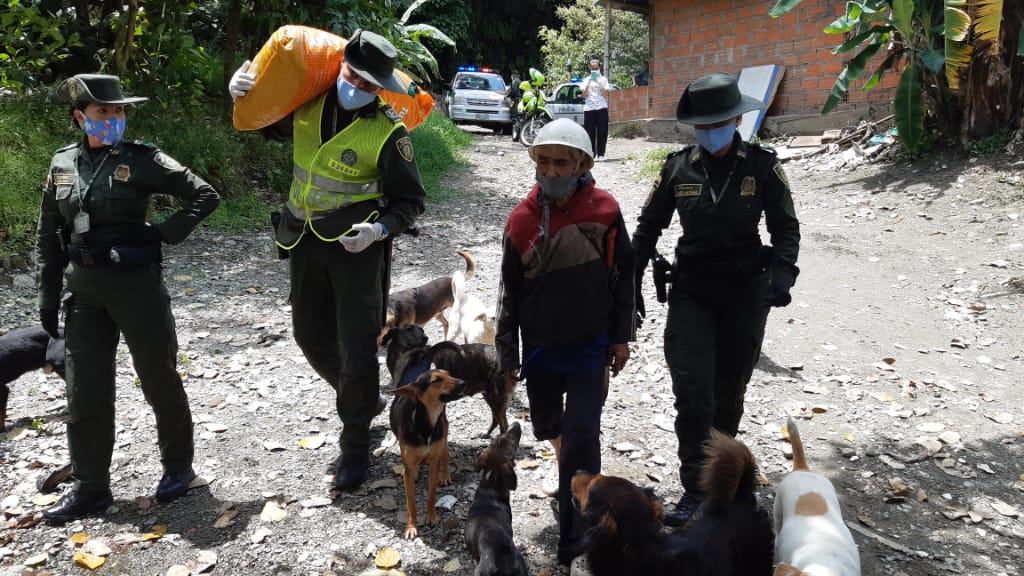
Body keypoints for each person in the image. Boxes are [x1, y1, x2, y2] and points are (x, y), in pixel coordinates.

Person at [228, 29, 426, 490]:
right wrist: (242, 93)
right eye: (353, 75)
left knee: (357, 346)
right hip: (303, 239)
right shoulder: (305, 105)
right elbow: (261, 121)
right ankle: (362, 398)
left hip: (357, 251)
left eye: (371, 84)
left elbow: (410, 201)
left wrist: (380, 229)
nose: (358, 87)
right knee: (308, 335)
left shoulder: (389, 132)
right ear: (340, 67)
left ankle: (354, 443)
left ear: (382, 88)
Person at [36, 74, 220, 523]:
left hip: (135, 287)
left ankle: (178, 470)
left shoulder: (141, 159)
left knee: (159, 378)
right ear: (80, 117)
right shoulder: (62, 163)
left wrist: (160, 233)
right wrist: (47, 292)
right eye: (104, 112)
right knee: (85, 392)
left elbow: (204, 194)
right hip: (83, 294)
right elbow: (47, 233)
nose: (114, 118)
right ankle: (91, 488)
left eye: (119, 111)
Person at [632, 72, 800, 528]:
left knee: (728, 394)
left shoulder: (763, 166)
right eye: (701, 126)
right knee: (691, 393)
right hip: (693, 292)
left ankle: (722, 485)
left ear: (738, 118)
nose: (710, 132)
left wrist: (782, 277)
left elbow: (785, 228)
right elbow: (649, 228)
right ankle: (694, 490)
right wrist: (627, 279)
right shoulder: (677, 167)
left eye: (718, 123)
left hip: (746, 293)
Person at [495, 118, 634, 574]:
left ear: (582, 164)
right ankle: (568, 473)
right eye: (544, 161)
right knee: (548, 425)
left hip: (591, 348)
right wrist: (507, 354)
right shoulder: (519, 221)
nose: (552, 171)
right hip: (541, 351)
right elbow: (508, 294)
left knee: (582, 438)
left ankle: (576, 542)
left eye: (561, 162)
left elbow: (624, 277)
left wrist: (620, 336)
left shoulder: (606, 211)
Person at [581, 59, 610, 161]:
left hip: (601, 107)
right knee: (589, 132)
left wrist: (599, 83)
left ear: (599, 68)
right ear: (590, 68)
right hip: (589, 108)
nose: (594, 70)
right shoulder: (586, 80)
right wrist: (589, 83)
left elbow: (605, 95)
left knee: (602, 131)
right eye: (592, 68)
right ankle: (591, 153)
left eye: (596, 68)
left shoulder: (604, 79)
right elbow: (584, 96)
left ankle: (601, 154)